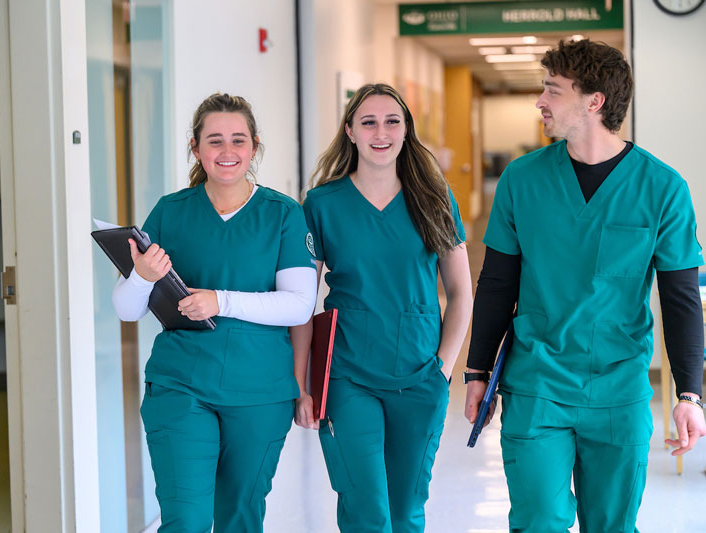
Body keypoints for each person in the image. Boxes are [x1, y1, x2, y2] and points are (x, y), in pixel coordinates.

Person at [465, 39, 706, 532]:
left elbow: (680, 299)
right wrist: (476, 371)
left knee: (612, 524)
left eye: (552, 89)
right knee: (538, 521)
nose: (540, 101)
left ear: (594, 101)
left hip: (620, 389)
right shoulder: (522, 180)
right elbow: (496, 283)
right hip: (537, 383)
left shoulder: (662, 188)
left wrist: (690, 394)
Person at [112, 93, 317, 532]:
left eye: (238, 140)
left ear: (255, 147)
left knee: (239, 518)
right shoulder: (170, 211)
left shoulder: (282, 214)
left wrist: (220, 300)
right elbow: (127, 310)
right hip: (182, 385)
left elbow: (300, 304)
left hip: (260, 392)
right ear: (196, 148)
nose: (227, 152)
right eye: (215, 140)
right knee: (184, 520)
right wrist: (143, 276)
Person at [292, 83, 473, 532]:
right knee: (366, 511)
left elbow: (461, 292)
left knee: (406, 511)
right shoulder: (322, 204)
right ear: (350, 131)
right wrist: (302, 383)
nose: (381, 132)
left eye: (392, 121)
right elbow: (301, 301)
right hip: (348, 375)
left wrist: (443, 370)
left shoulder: (434, 199)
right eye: (368, 121)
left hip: (420, 374)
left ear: (407, 130)